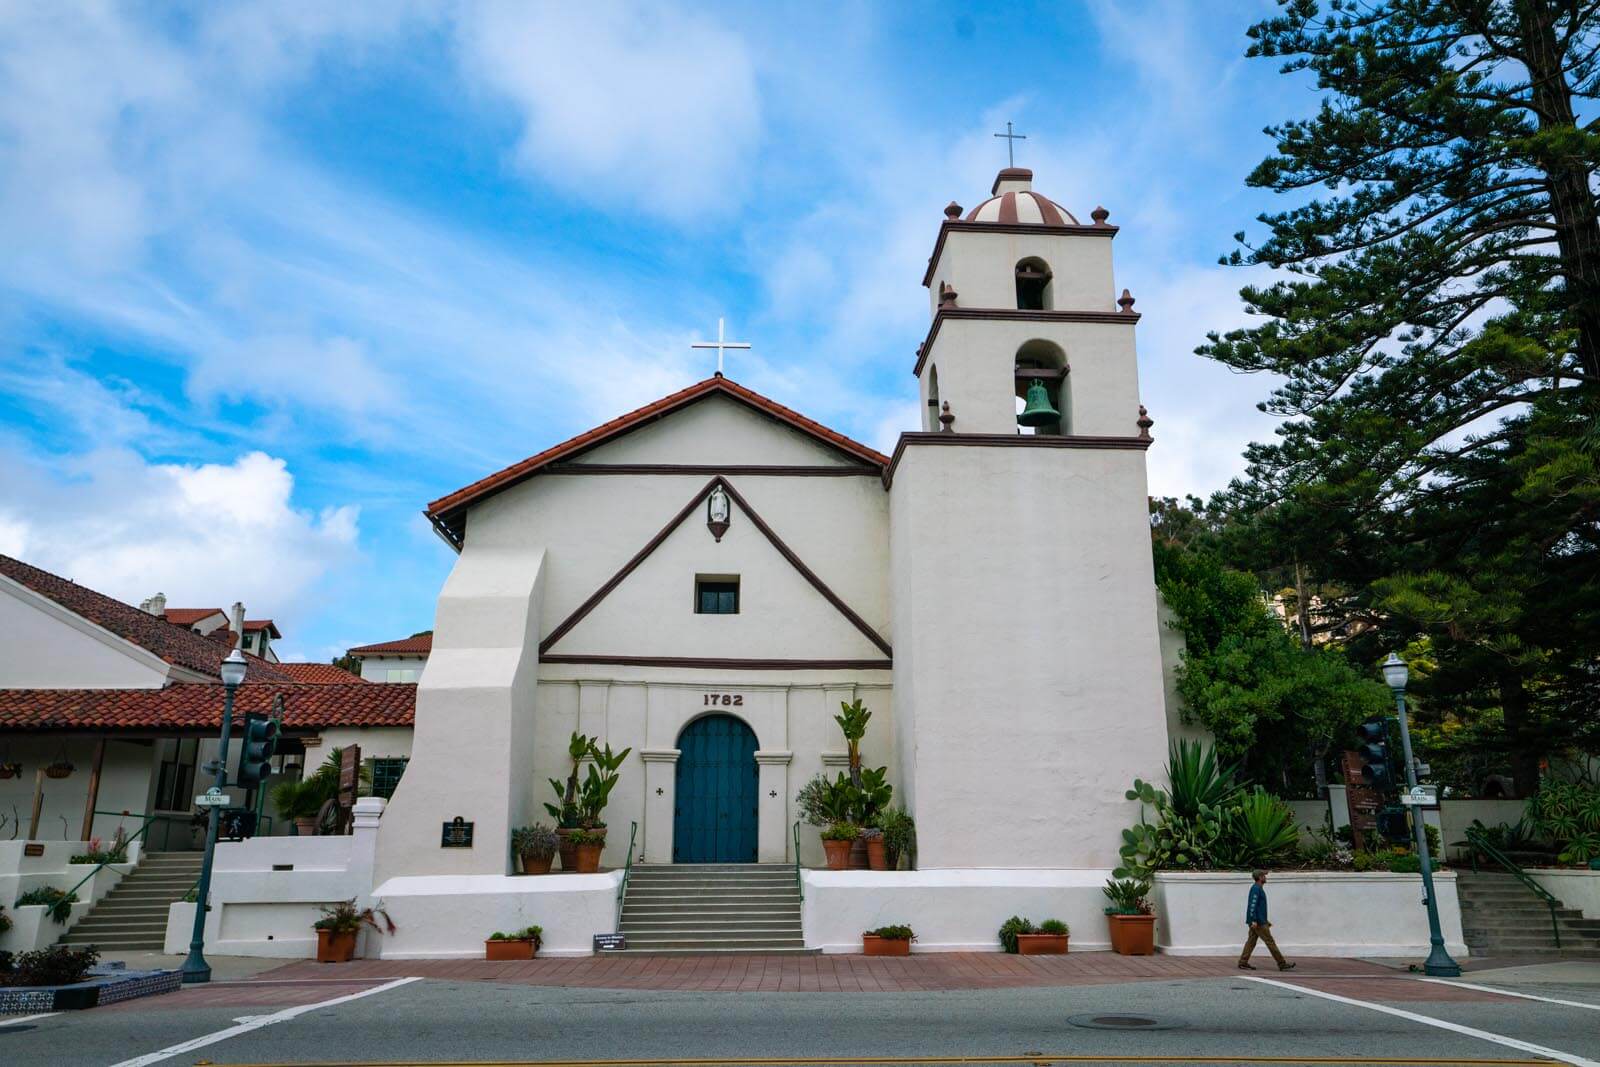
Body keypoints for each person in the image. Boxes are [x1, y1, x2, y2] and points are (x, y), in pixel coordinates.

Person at [1238, 869, 1295, 971]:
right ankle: (1282, 964)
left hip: (1259, 920)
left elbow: (1258, 907)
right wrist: (1254, 920)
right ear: (1260, 878)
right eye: (1264, 876)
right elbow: (1252, 905)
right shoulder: (1256, 889)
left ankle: (1243, 962)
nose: (1265, 877)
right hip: (1258, 923)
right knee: (1270, 942)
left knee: (1251, 942)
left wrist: (1264, 919)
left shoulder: (1258, 888)